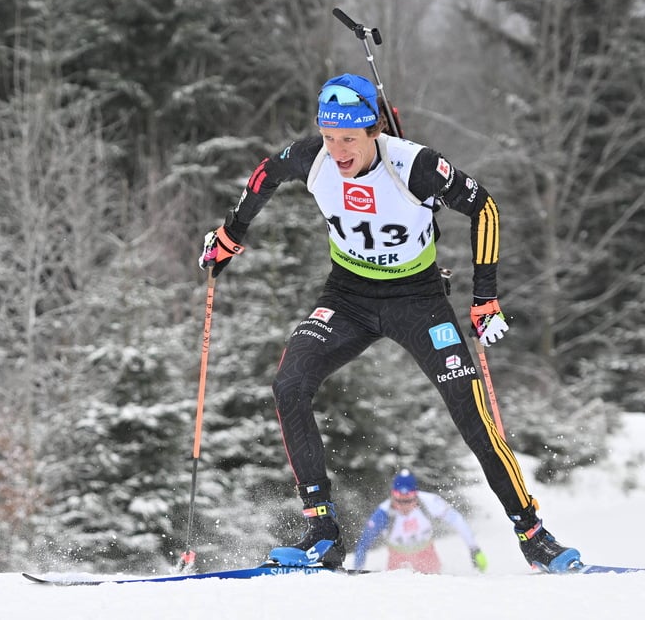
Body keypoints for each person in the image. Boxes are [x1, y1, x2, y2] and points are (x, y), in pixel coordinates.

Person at [199, 72, 582, 572]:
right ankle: (322, 534)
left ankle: (532, 535)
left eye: (349, 140)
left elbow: (483, 207)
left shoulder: (414, 165)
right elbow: (264, 175)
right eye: (330, 137)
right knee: (289, 384)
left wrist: (485, 298)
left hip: (417, 300)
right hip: (347, 297)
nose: (337, 151)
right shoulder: (312, 157)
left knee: (470, 412)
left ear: (375, 130)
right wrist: (230, 235)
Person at [353, 469, 488, 574]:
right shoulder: (384, 512)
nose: (404, 505)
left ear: (415, 495)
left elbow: (457, 520)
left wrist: (474, 549)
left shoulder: (429, 501)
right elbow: (364, 543)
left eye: (409, 500)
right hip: (397, 557)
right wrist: (357, 571)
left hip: (426, 554)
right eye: (399, 500)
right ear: (393, 495)